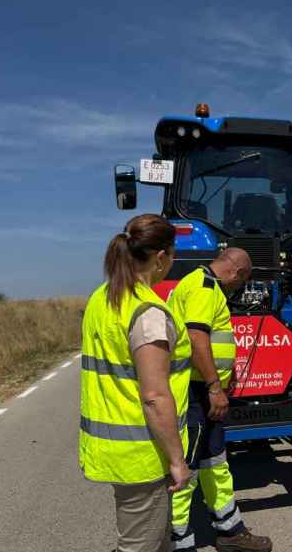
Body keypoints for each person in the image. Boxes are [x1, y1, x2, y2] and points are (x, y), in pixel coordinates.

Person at [79, 214, 193, 552]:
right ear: (160, 258)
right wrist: (177, 460)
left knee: (156, 541)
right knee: (138, 546)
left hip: (118, 449)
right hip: (144, 454)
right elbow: (155, 396)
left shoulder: (102, 298)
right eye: (173, 255)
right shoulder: (149, 313)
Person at [169, 249, 273, 552]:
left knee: (215, 462)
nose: (238, 289)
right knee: (184, 469)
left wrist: (224, 379)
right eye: (241, 282)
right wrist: (215, 386)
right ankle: (178, 541)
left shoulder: (204, 284)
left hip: (205, 392)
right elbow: (196, 337)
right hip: (196, 392)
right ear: (237, 272)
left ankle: (230, 530)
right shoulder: (204, 287)